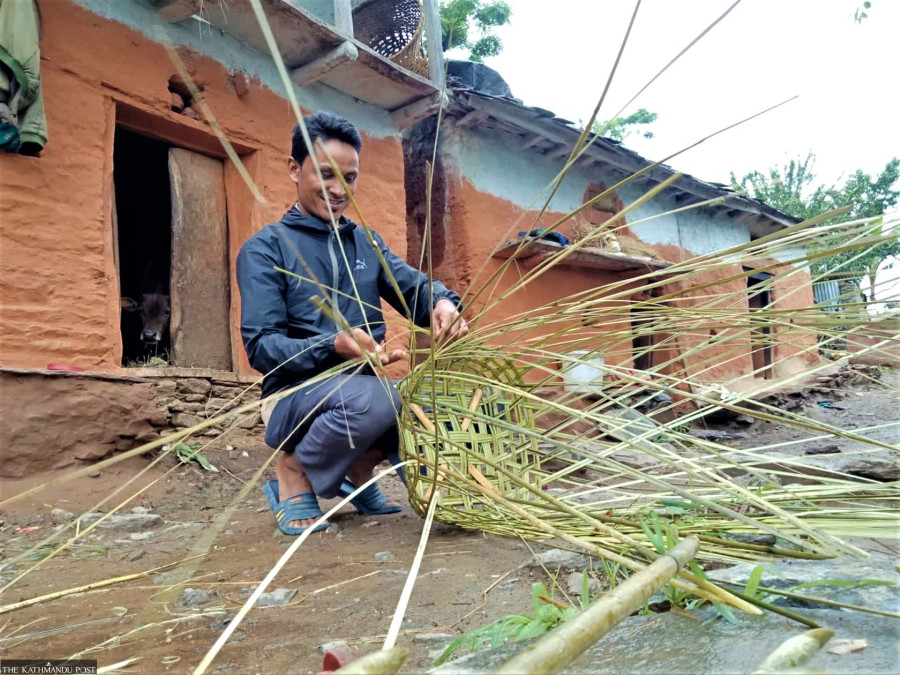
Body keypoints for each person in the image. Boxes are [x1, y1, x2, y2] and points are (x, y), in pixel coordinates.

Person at [236, 112, 466, 535]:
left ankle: (359, 473)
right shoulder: (265, 249)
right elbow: (261, 348)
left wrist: (442, 303)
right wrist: (334, 344)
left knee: (428, 403)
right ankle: (293, 472)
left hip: (364, 392)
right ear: (293, 168)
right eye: (324, 174)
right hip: (294, 396)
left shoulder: (365, 242)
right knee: (374, 399)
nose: (338, 190)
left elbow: (414, 288)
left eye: (349, 177)